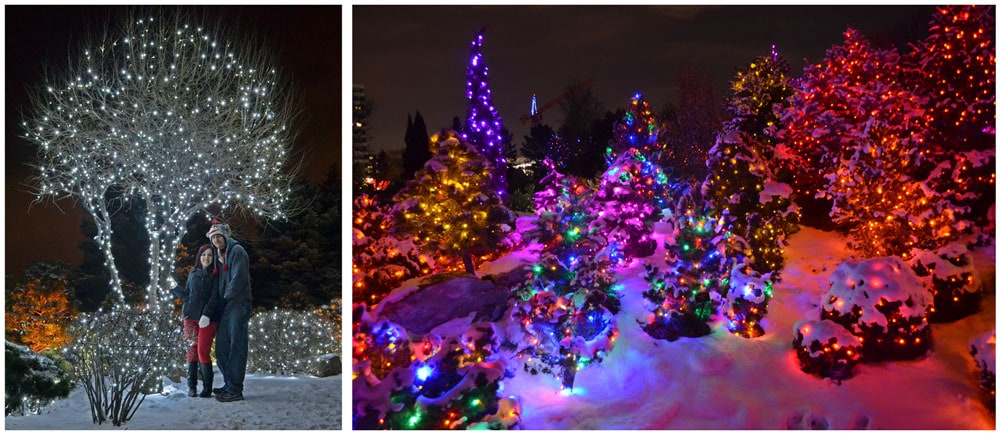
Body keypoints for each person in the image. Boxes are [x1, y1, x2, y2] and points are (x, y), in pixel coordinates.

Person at [206, 221, 252, 403]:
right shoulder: (220, 255)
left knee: (236, 346)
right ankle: (228, 383)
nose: (216, 240)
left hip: (238, 303)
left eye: (218, 236)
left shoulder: (237, 252)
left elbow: (238, 278)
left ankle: (235, 388)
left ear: (225, 236)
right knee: (222, 347)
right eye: (213, 237)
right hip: (226, 304)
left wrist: (226, 297)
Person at [171, 244, 223, 397]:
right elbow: (187, 296)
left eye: (209, 255)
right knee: (191, 352)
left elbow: (215, 298)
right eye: (203, 255)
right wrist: (175, 287)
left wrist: (206, 315)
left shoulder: (216, 275)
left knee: (202, 351)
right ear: (199, 257)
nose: (206, 258)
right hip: (190, 317)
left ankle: (207, 388)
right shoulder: (193, 273)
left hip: (208, 319)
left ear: (213, 258)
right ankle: (191, 386)